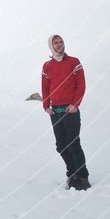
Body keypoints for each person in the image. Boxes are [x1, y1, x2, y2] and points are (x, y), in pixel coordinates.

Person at [41, 34, 91, 190]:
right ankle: (72, 173)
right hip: (55, 112)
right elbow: (45, 87)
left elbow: (81, 85)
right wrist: (46, 106)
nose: (59, 44)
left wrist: (75, 104)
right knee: (61, 145)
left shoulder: (74, 62)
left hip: (71, 111)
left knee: (73, 144)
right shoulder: (47, 66)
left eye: (61, 41)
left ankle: (83, 177)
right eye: (55, 42)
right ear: (51, 46)